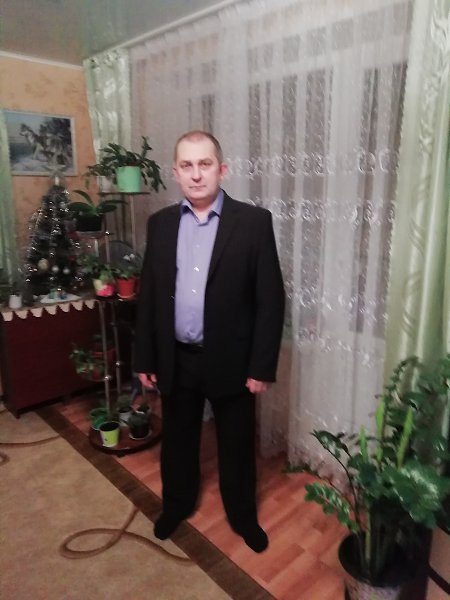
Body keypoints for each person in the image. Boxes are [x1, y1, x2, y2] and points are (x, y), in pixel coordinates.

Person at [134, 130, 285, 553]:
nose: (196, 174)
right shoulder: (161, 224)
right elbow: (149, 296)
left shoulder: (253, 223)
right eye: (187, 165)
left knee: (236, 444)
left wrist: (261, 366)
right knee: (178, 439)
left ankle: (243, 515)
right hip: (176, 357)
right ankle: (177, 504)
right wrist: (145, 357)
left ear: (222, 169)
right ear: (175, 172)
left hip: (232, 359)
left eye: (205, 164)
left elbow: (271, 299)